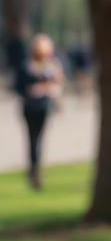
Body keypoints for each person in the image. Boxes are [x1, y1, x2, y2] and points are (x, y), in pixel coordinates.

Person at [14, 33, 64, 190]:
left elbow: (58, 85)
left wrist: (56, 97)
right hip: (30, 108)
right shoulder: (27, 67)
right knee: (33, 139)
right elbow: (19, 88)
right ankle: (34, 171)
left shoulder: (52, 66)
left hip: (44, 107)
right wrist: (34, 90)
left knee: (39, 140)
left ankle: (36, 170)